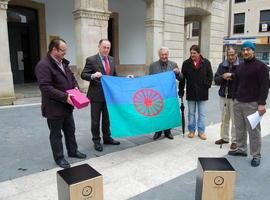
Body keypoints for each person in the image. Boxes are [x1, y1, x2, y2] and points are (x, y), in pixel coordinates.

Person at [35, 38, 86, 169]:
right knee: (56, 134)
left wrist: (75, 88)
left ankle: (73, 151)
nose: (65, 53)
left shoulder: (63, 63)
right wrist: (65, 97)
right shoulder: (43, 65)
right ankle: (59, 158)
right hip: (54, 107)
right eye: (62, 50)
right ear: (54, 50)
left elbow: (72, 78)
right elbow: (46, 88)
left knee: (70, 129)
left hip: (67, 105)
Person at [228, 41, 269, 167]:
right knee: (239, 129)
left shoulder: (261, 67)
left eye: (248, 49)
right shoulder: (239, 67)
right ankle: (241, 149)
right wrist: (234, 97)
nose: (245, 52)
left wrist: (261, 104)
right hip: (238, 103)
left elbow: (264, 86)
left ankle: (256, 155)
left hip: (253, 104)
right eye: (244, 50)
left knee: (254, 131)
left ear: (253, 51)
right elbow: (237, 82)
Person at [81, 39, 120, 152]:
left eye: (108, 48)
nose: (106, 50)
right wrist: (93, 75)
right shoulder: (91, 60)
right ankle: (96, 141)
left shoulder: (112, 60)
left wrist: (125, 79)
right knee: (95, 120)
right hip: (96, 96)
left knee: (107, 119)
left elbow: (115, 76)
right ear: (99, 47)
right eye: (104, 47)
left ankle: (107, 138)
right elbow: (83, 74)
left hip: (109, 96)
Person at [178, 45, 213, 140]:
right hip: (191, 92)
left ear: (199, 53)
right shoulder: (186, 63)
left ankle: (201, 132)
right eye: (191, 53)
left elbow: (210, 76)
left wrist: (207, 85)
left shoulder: (206, 62)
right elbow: (182, 79)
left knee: (202, 114)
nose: (192, 55)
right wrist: (181, 91)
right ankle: (192, 131)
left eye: (194, 53)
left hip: (203, 92)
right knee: (191, 113)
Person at [149, 47, 182, 140]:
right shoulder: (152, 66)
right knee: (158, 113)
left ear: (168, 54)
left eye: (165, 54)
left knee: (168, 112)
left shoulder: (173, 64)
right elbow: (150, 81)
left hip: (169, 95)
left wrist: (178, 73)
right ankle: (158, 131)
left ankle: (168, 131)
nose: (164, 56)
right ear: (159, 55)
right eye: (162, 55)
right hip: (157, 95)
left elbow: (181, 78)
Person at [214, 47, 239, 150]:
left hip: (235, 97)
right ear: (226, 55)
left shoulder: (240, 66)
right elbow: (216, 80)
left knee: (235, 120)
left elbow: (242, 78)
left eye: (232, 55)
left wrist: (232, 75)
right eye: (229, 55)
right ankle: (224, 138)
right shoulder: (222, 65)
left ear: (236, 54)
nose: (231, 57)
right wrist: (223, 77)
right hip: (223, 96)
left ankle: (235, 141)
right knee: (224, 118)